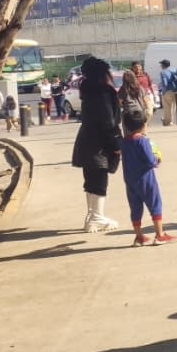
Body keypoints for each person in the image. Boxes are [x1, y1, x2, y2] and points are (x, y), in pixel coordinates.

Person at [70, 57, 122, 233]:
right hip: (100, 143)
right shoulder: (104, 92)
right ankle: (97, 217)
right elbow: (108, 121)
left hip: (87, 140)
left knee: (90, 180)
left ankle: (92, 216)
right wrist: (115, 142)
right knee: (100, 180)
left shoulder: (87, 91)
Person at [120, 111, 174, 246]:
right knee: (155, 204)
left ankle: (139, 237)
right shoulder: (142, 141)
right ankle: (160, 234)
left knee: (135, 207)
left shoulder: (124, 142)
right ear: (142, 125)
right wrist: (157, 159)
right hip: (145, 178)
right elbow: (150, 160)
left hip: (130, 179)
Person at [117, 70, 147, 134]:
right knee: (140, 132)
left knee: (128, 133)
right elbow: (145, 100)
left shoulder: (123, 89)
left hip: (129, 112)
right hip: (140, 111)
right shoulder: (140, 87)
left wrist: (121, 106)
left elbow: (119, 102)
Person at [158, 59, 177, 126]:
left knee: (167, 107)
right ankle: (171, 121)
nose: (161, 65)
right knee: (173, 106)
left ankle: (168, 122)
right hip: (175, 90)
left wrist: (163, 92)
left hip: (167, 91)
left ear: (163, 65)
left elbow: (165, 84)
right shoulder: (175, 70)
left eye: (161, 64)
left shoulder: (163, 72)